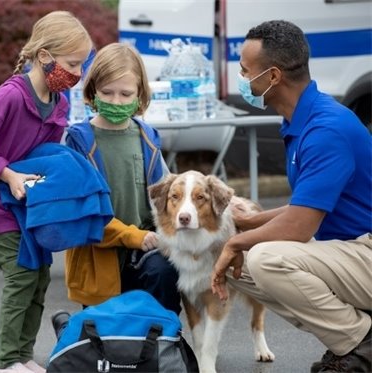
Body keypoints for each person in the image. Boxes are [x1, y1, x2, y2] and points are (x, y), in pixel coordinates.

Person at [210, 20, 371, 373]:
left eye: (244, 71)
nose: (241, 78)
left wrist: (238, 242)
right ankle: (345, 339)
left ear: (272, 77)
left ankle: (360, 342)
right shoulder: (303, 119)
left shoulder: (325, 130)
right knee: (236, 263)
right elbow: (307, 206)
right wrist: (246, 223)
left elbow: (298, 227)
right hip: (351, 248)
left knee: (265, 258)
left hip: (366, 250)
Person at [0, 11, 92, 373]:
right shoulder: (9, 97)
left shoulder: (59, 102)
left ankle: (22, 356)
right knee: (21, 273)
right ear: (45, 56)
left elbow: (41, 155)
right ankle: (2, 362)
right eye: (72, 63)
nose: (77, 73)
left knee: (40, 274)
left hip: (21, 203)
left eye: (81, 64)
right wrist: (8, 173)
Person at [64, 42, 181, 315]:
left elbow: (168, 195)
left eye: (126, 94)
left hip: (146, 249)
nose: (116, 101)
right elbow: (82, 213)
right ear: (92, 91)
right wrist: (132, 236)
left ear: (140, 94)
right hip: (99, 258)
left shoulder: (147, 137)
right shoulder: (79, 141)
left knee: (163, 284)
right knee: (107, 342)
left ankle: (164, 343)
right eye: (107, 92)